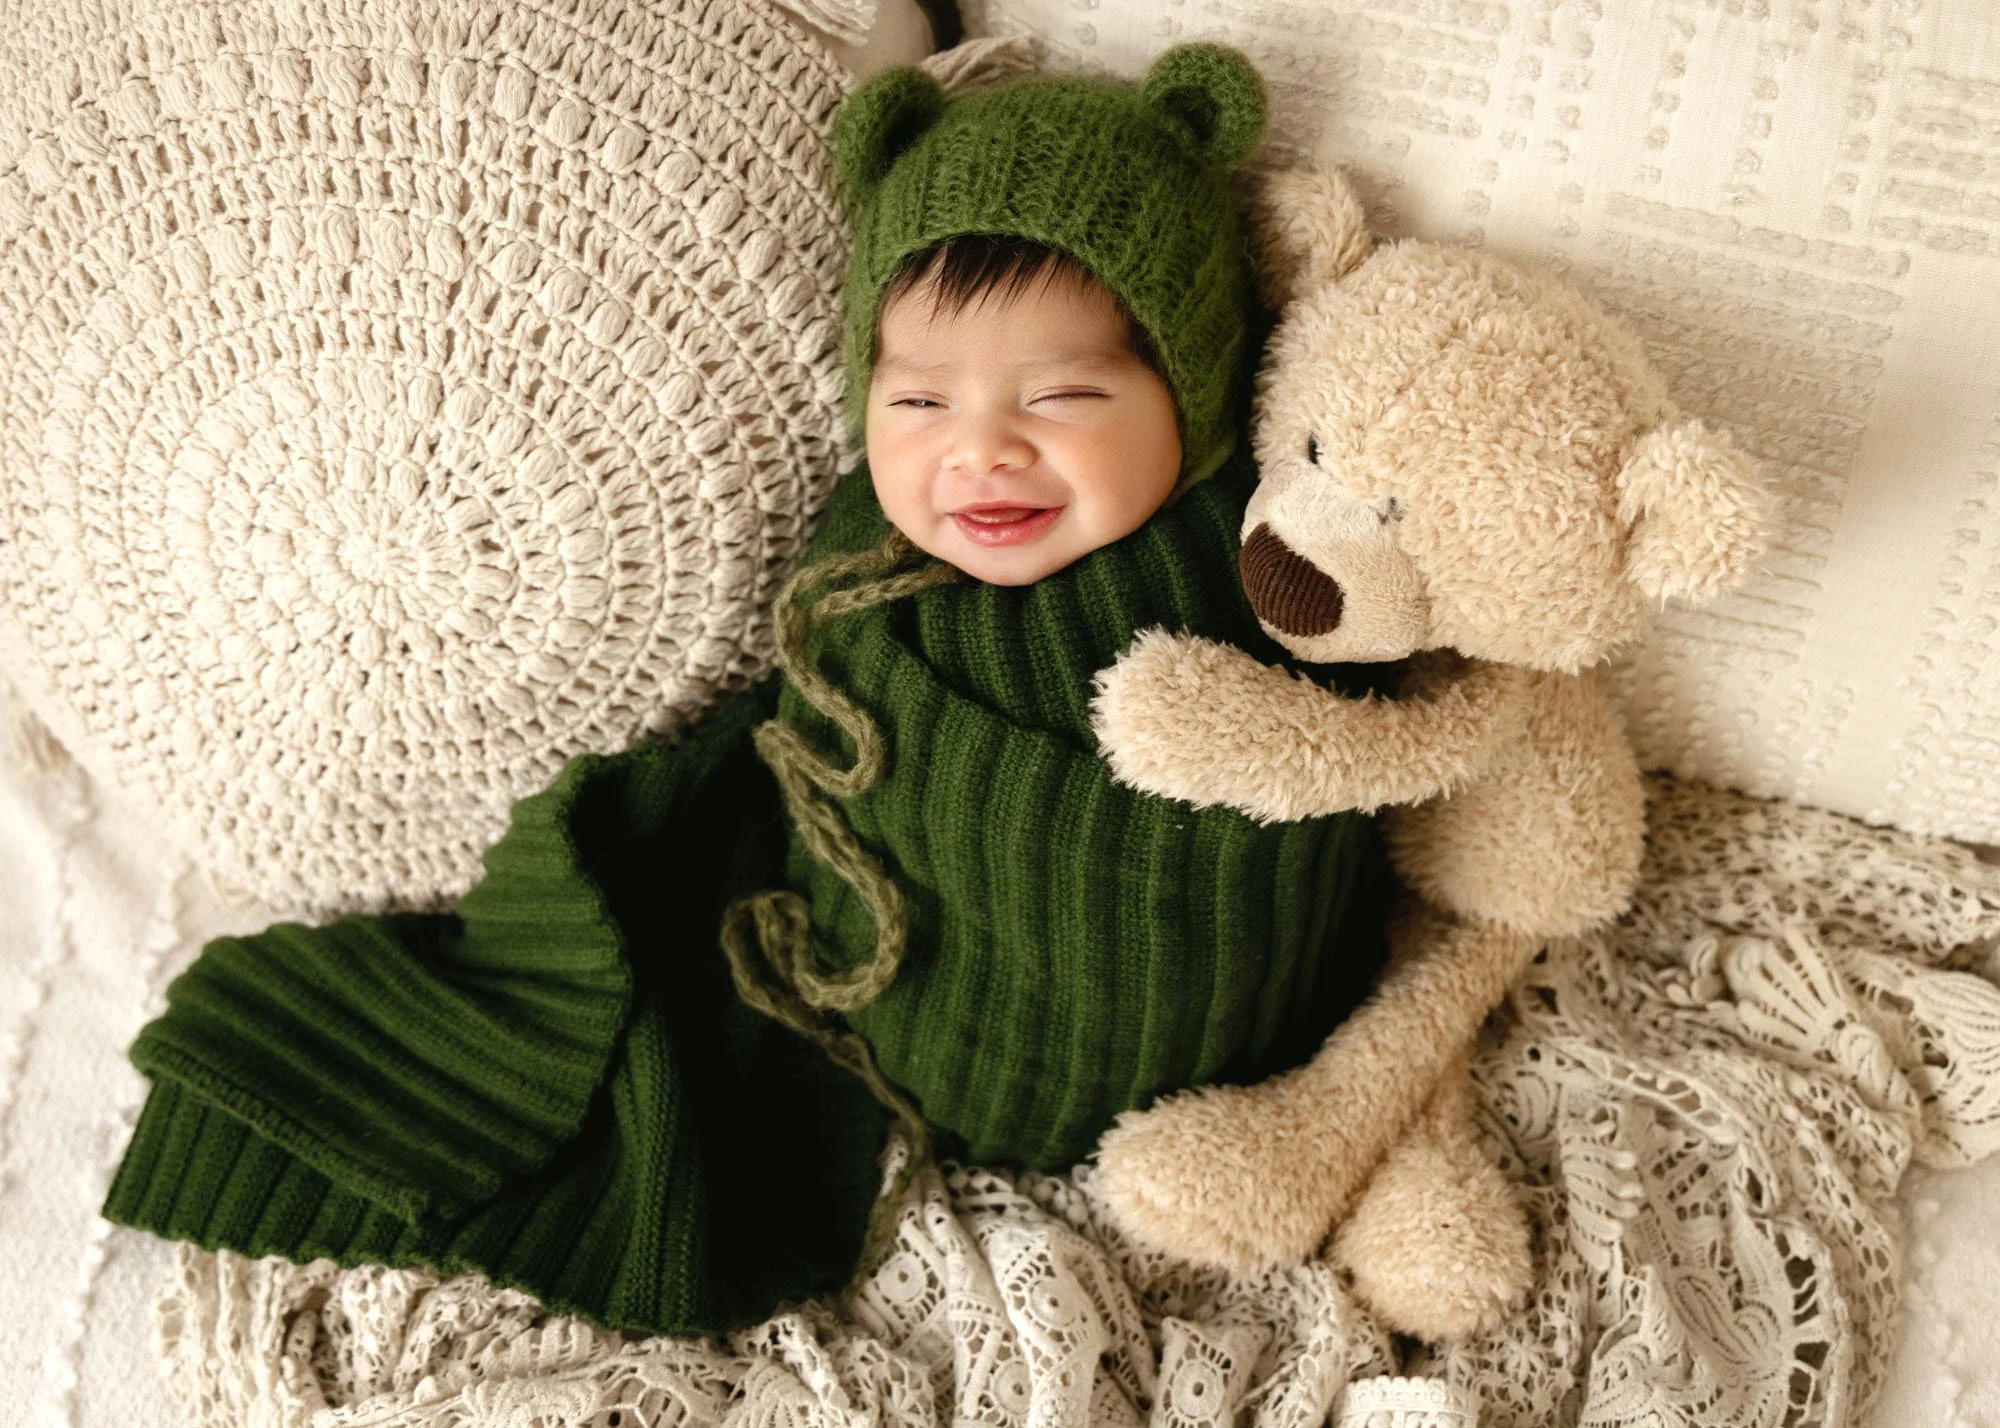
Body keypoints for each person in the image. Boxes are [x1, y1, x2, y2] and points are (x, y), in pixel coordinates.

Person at [102, 44, 1390, 1338]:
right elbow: (820, 780)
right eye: (921, 399)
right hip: (907, 1038)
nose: (982, 450)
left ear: (1194, 386)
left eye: (1060, 396)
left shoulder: (1267, 571)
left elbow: (1342, 790)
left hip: (1237, 1092)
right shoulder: (860, 577)